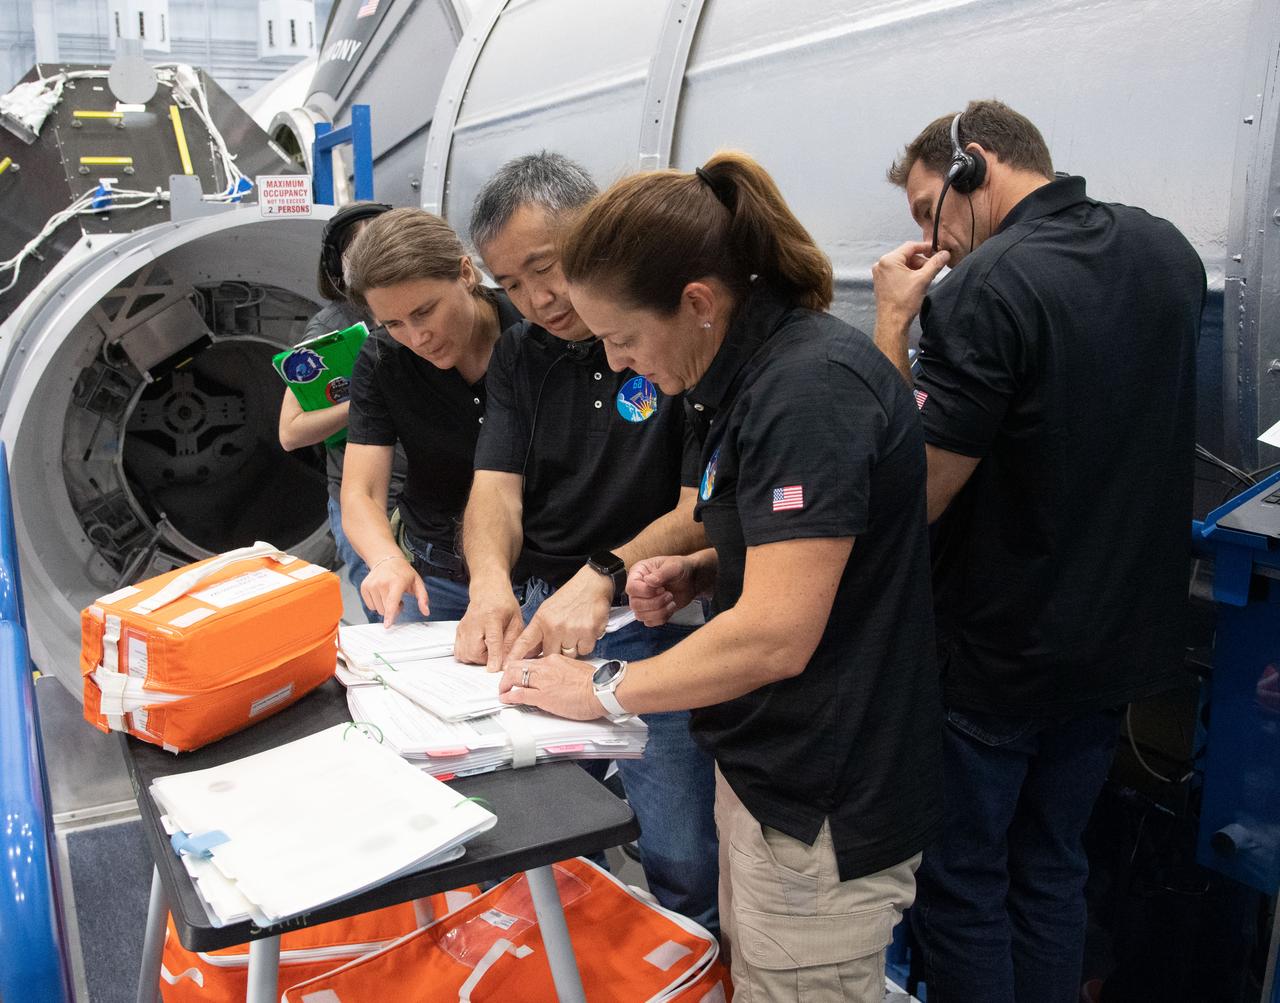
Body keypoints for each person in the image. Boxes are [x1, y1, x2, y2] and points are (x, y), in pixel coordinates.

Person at [499, 151, 943, 1001]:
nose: (622, 363)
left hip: (823, 794)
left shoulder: (810, 389)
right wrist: (706, 568)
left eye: (625, 338)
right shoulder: (737, 382)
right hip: (767, 769)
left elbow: (778, 633)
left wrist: (601, 688)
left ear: (698, 303)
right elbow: (822, 544)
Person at [871, 99, 1204, 1003]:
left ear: (973, 168)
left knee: (965, 882)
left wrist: (895, 328)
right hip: (1115, 652)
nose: (933, 238)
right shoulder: (1166, 252)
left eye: (928, 210)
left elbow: (921, 490)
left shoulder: (985, 290)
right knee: (1053, 866)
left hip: (997, 655)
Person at [456, 152, 720, 936]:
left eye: (548, 267)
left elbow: (703, 505)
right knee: (546, 826)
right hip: (542, 612)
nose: (538, 300)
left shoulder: (674, 327)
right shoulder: (519, 351)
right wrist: (489, 583)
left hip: (655, 609)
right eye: (512, 285)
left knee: (680, 841)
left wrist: (605, 571)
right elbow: (494, 487)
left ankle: (695, 959)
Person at [340, 208, 522, 626]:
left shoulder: (532, 337)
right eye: (394, 322)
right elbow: (362, 492)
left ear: (465, 273)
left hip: (534, 576)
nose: (416, 338)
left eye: (425, 312)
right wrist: (385, 559)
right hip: (432, 578)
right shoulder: (384, 359)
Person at [277, 201, 406, 621]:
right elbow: (292, 432)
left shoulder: (415, 308)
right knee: (392, 620)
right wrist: (369, 402)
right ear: (340, 267)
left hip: (428, 499)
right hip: (372, 502)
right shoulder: (331, 330)